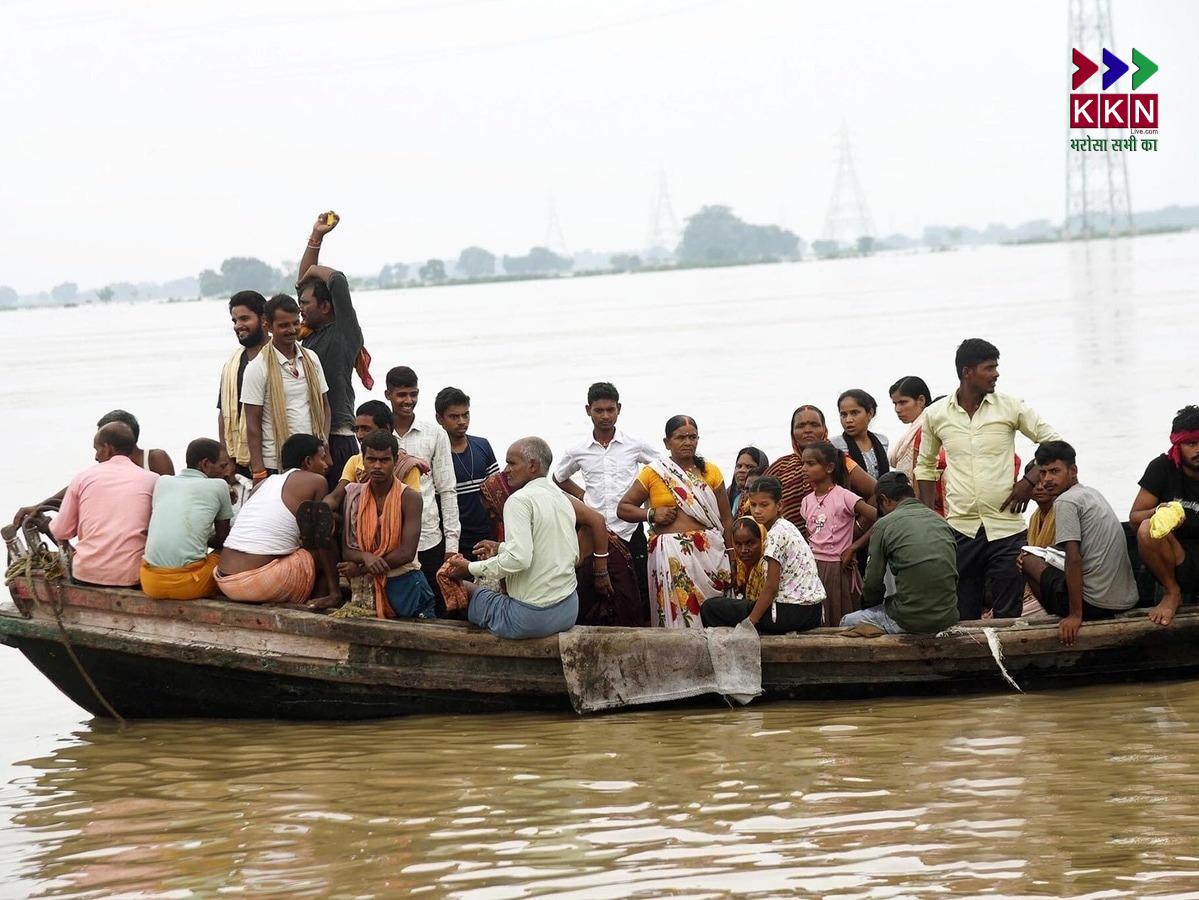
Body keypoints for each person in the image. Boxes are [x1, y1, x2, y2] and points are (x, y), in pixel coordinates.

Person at [915, 338, 1060, 620]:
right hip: (960, 529)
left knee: (1009, 613)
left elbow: (1054, 443)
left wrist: (1029, 481)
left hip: (1006, 528)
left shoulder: (1011, 407)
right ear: (967, 372)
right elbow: (925, 467)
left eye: (996, 367)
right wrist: (929, 519)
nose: (996, 374)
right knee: (964, 612)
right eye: (989, 368)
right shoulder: (935, 414)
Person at [443, 438, 584, 639]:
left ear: (533, 466)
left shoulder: (519, 500)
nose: (506, 470)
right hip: (568, 610)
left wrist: (469, 568)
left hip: (532, 619)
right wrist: (500, 548)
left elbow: (519, 559)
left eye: (512, 463)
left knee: (463, 587)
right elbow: (562, 552)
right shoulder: (560, 497)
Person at [481, 471, 642, 626]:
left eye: (492, 509)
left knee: (616, 625)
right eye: (489, 512)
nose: (492, 516)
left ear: (503, 497)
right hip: (580, 568)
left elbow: (597, 521)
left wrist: (601, 571)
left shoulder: (552, 499)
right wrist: (499, 551)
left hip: (602, 562)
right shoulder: (517, 517)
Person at [617, 415, 733, 628]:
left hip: (710, 555)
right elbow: (623, 508)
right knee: (678, 623)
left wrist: (732, 553)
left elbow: (726, 517)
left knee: (714, 616)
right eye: (680, 438)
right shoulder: (653, 472)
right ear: (667, 442)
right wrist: (652, 514)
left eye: (692, 437)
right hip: (671, 558)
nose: (688, 442)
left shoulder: (710, 471)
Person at [1018, 441, 1138, 645]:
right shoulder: (1091, 493)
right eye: (1043, 473)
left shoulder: (1066, 501)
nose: (1047, 479)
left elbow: (1073, 559)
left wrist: (1075, 615)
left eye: (1055, 471)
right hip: (1126, 599)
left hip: (1097, 605)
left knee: (1027, 560)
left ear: (1073, 471)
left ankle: (1061, 614)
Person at [554, 382, 658, 603]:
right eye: (599, 410)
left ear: (619, 409)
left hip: (630, 528)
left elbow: (662, 469)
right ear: (588, 410)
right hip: (594, 529)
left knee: (639, 586)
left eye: (610, 410)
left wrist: (645, 497)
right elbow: (559, 477)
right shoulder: (578, 449)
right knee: (590, 587)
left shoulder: (635, 444)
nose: (605, 416)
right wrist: (582, 496)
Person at [215, 434, 340, 608]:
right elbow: (318, 532)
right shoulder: (317, 481)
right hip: (258, 583)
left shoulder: (262, 484)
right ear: (308, 461)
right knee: (328, 528)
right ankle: (331, 595)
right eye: (322, 458)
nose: (327, 464)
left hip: (224, 580)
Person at [294, 212, 367, 489]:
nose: (300, 309)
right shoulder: (308, 336)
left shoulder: (344, 333)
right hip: (313, 435)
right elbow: (305, 284)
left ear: (325, 306)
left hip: (338, 436)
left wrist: (314, 270)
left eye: (305, 304)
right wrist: (316, 237)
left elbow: (338, 281)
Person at [700, 476, 826, 634]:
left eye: (764, 505)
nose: (757, 510)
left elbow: (771, 587)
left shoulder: (776, 534)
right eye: (753, 505)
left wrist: (750, 623)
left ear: (779, 505)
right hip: (813, 612)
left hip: (792, 612)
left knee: (711, 608)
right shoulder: (788, 526)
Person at [840, 472, 960, 635]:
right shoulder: (940, 521)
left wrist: (868, 605)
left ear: (885, 500)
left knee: (847, 622)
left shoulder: (884, 524)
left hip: (909, 620)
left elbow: (872, 585)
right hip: (948, 616)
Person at [13, 409, 174, 527]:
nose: (97, 456)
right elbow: (77, 491)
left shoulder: (154, 458)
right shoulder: (106, 468)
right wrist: (40, 507)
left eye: (102, 444)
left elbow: (171, 503)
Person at [384, 366, 461, 605]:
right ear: (388, 395)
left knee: (434, 606)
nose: (409, 401)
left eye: (413, 394)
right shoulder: (379, 434)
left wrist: (452, 546)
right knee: (396, 606)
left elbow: (447, 490)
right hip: (389, 539)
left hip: (429, 538)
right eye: (402, 395)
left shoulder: (435, 433)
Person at [48, 422, 159, 588]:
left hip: (86, 574)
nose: (96, 457)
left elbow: (61, 531)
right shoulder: (153, 479)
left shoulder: (83, 477)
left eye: (97, 449)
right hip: (133, 576)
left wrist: (49, 523)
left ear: (108, 449)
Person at [335, 429, 431, 619]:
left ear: (395, 461)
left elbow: (406, 553)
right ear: (363, 460)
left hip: (405, 586)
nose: (377, 466)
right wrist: (365, 556)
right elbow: (347, 550)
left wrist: (362, 567)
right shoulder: (354, 496)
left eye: (384, 460)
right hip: (366, 590)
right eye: (371, 459)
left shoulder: (410, 498)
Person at [242, 295, 330, 482]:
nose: (292, 330)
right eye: (283, 325)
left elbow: (325, 407)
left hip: (312, 460)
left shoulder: (311, 359)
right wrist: (258, 470)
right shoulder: (257, 367)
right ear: (268, 326)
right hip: (276, 463)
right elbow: (252, 424)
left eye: (295, 323)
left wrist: (324, 446)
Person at [140, 438, 234, 600]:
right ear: (205, 464)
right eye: (222, 466)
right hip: (189, 584)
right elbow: (223, 540)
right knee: (231, 554)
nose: (226, 472)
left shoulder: (162, 481)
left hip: (150, 582)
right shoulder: (220, 485)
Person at [1130, 404, 1199, 626]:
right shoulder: (1162, 468)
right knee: (1146, 528)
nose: (1198, 449)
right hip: (1175, 555)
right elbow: (1134, 518)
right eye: (1191, 443)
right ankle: (1172, 592)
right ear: (1177, 444)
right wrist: (1159, 510)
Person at [763, 405, 876, 537]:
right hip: (792, 546)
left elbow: (878, 490)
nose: (807, 430)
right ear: (792, 432)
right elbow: (756, 502)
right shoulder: (780, 467)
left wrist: (856, 529)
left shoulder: (839, 461)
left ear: (824, 429)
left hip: (839, 546)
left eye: (814, 425)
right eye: (800, 426)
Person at [799, 441, 878, 624]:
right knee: (818, 618)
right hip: (813, 567)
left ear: (829, 468)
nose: (804, 468)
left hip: (838, 567)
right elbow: (810, 534)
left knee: (838, 615)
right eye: (803, 463)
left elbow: (881, 519)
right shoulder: (807, 501)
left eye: (810, 464)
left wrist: (854, 547)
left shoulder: (844, 496)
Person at [436, 387, 500, 563]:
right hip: (453, 543)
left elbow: (497, 494)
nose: (462, 421)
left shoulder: (482, 446)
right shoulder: (436, 455)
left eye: (466, 415)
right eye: (454, 417)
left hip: (486, 539)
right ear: (439, 419)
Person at [217, 290, 270, 477]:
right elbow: (223, 414)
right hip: (240, 462)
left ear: (264, 319)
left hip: (274, 457)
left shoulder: (281, 358)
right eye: (234, 320)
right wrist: (226, 459)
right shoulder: (232, 365)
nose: (238, 326)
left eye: (244, 319)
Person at [335, 400, 422, 493]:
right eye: (357, 429)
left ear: (386, 429)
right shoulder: (355, 461)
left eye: (366, 429)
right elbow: (337, 496)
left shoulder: (407, 466)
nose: (359, 435)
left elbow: (413, 499)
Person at [832, 389, 891, 479]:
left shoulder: (882, 441)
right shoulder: (834, 445)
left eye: (854, 413)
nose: (848, 420)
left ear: (870, 413)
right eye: (843, 415)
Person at [886, 376, 934, 482]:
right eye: (895, 403)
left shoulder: (930, 430)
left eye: (903, 402)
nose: (897, 409)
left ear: (921, 400)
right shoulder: (913, 431)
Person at [726, 516, 768, 601]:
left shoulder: (768, 568)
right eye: (738, 544)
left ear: (762, 540)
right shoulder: (739, 567)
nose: (743, 550)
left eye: (750, 543)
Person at [728, 447, 769, 515]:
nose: (741, 470)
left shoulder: (770, 500)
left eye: (749, 467)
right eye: (739, 466)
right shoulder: (729, 496)